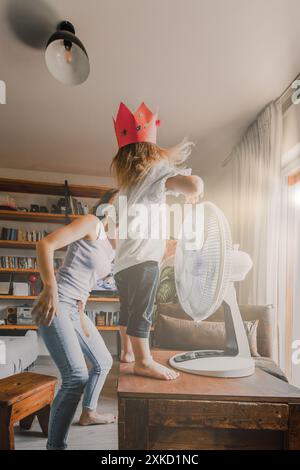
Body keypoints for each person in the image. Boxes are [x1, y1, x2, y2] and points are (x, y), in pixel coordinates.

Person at [111, 102, 203, 381]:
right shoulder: (156, 172)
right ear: (153, 152)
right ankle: (143, 360)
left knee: (127, 310)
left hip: (122, 265)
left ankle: (127, 353)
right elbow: (194, 185)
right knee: (142, 311)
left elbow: (115, 228)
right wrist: (195, 187)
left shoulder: (125, 188)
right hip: (144, 261)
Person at [32, 189, 118, 450]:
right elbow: (44, 244)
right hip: (56, 302)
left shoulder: (112, 246)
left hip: (76, 309)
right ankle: (55, 446)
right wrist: (50, 287)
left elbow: (90, 281)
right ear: (106, 205)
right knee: (76, 377)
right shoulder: (91, 223)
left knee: (103, 361)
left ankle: (88, 412)